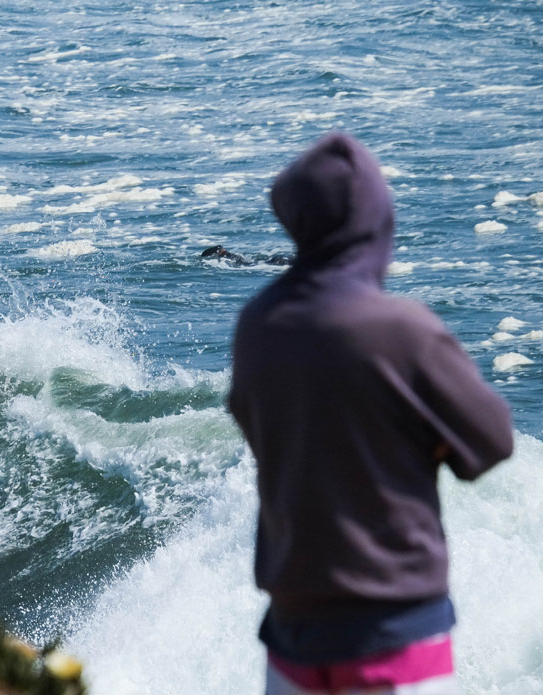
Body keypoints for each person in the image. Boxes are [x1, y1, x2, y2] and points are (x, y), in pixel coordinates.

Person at [228, 132, 514, 694]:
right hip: (392, 633)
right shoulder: (403, 330)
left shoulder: (258, 325)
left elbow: (263, 427)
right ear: (375, 223)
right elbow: (493, 440)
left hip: (292, 630)